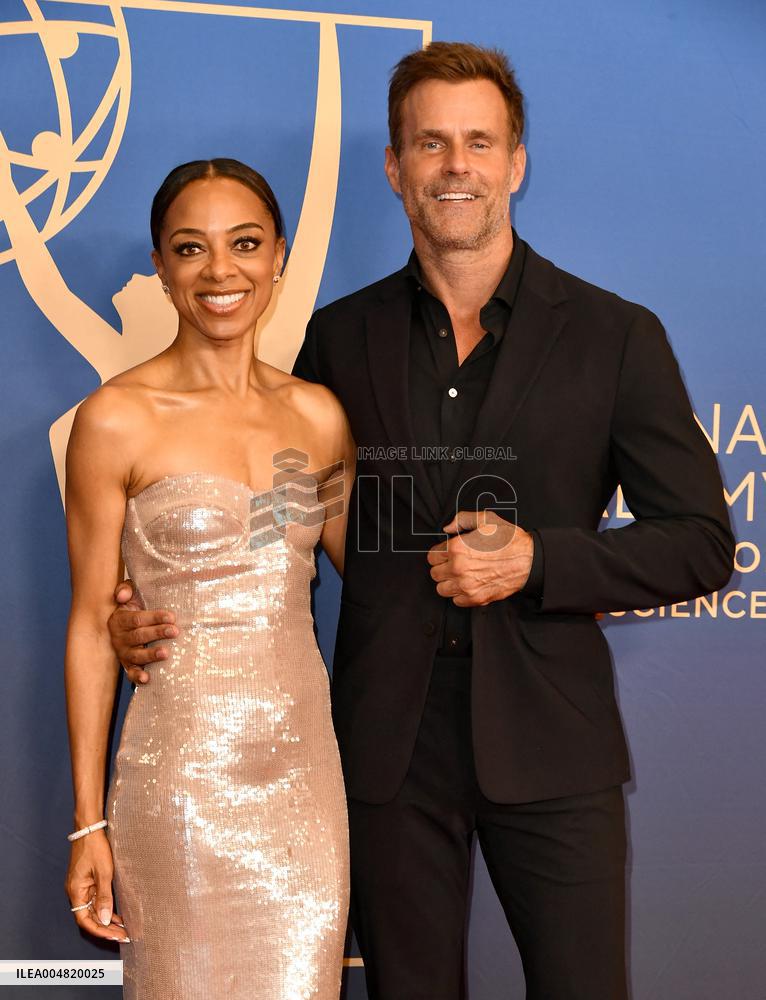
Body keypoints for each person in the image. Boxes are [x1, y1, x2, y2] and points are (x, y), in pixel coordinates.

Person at [108, 44, 734, 1000]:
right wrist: (146, 600)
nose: (456, 165)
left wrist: (540, 561)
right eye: (430, 143)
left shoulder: (616, 336)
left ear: (516, 161)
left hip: (554, 747)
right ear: (395, 168)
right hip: (382, 756)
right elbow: (283, 513)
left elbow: (699, 542)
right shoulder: (338, 338)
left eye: (478, 142)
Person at [64, 158, 353, 1000]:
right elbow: (90, 626)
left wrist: (550, 573)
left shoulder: (316, 415)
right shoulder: (117, 417)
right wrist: (89, 822)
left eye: (245, 244)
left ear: (279, 257)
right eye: (191, 249)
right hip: (179, 781)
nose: (221, 271)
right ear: (160, 265)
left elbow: (370, 576)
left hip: (304, 784)